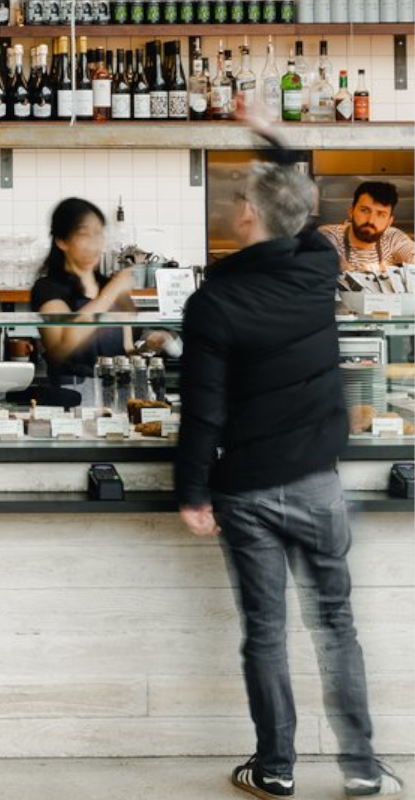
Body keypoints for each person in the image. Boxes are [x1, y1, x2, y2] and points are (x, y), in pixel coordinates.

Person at [176, 159, 403, 800]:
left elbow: (203, 411)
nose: (233, 205)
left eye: (241, 198)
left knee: (267, 632)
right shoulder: (317, 268)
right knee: (336, 625)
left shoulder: (212, 300)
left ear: (250, 215)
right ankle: (362, 767)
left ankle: (275, 768)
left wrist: (191, 492)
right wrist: (271, 137)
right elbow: (302, 221)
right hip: (316, 481)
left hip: (244, 488)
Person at [30, 197, 166, 401]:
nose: (94, 243)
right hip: (71, 400)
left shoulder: (110, 286)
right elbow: (61, 347)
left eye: (98, 234)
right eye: (84, 234)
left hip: (118, 396)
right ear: (62, 240)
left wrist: (148, 347)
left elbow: (127, 349)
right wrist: (111, 292)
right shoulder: (47, 288)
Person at [317, 180, 415, 273]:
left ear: (389, 221)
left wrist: (395, 271)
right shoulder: (329, 235)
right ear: (351, 212)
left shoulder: (393, 238)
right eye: (364, 210)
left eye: (381, 214)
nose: (371, 220)